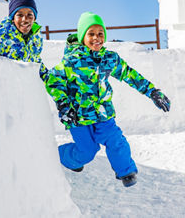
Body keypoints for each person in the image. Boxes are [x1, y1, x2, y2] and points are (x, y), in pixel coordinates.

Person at [44, 12, 170, 187]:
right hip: (78, 117)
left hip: (103, 114)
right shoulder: (70, 61)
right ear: (82, 37)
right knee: (87, 152)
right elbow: (53, 82)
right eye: (91, 34)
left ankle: (126, 171)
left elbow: (129, 75)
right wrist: (64, 106)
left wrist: (152, 91)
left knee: (116, 140)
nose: (96, 38)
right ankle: (61, 157)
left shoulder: (109, 59)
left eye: (100, 33)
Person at [0, 0, 48, 81]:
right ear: (12, 18)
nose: (25, 19)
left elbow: (37, 64)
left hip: (25, 90)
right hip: (5, 89)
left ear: (34, 18)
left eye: (30, 15)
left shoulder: (36, 40)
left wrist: (54, 83)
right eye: (20, 15)